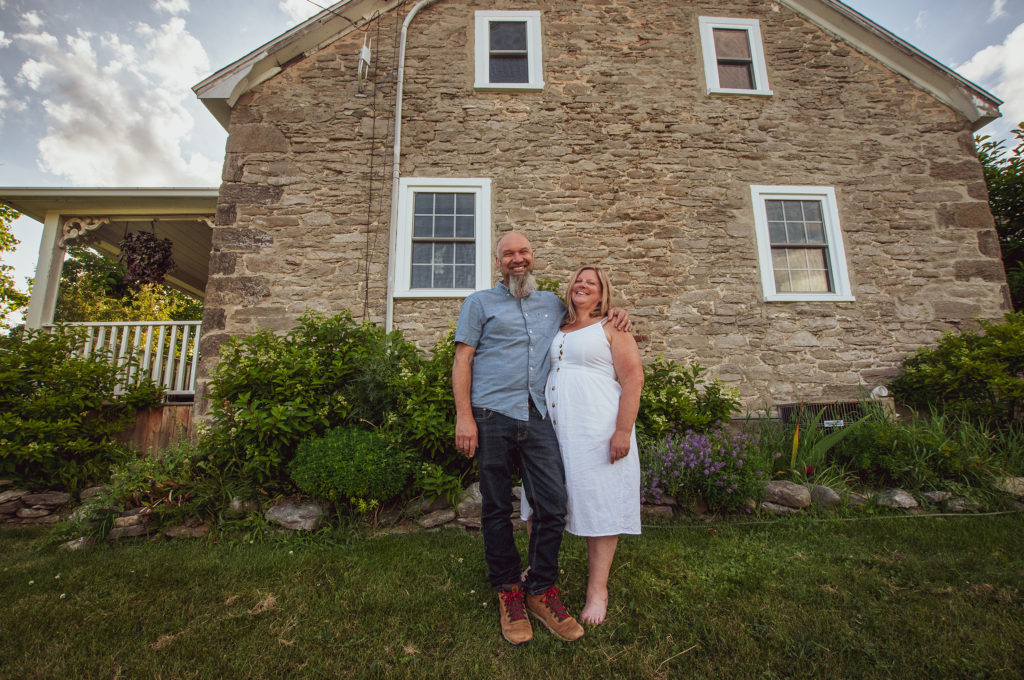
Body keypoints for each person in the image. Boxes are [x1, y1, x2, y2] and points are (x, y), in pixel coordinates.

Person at [452, 231, 631, 647]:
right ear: (499, 261)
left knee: (553, 505)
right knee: (496, 507)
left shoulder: (552, 302)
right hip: (490, 414)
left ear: (533, 258)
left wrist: (617, 311)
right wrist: (464, 417)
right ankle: (508, 590)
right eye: (509, 253)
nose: (518, 259)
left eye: (524, 252)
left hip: (538, 415)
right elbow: (463, 359)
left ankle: (540, 588)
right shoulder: (479, 304)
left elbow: (587, 316)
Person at [521, 265, 644, 626]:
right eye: (578, 279)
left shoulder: (612, 327)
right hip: (553, 431)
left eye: (591, 282)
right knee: (539, 500)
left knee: (599, 503)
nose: (582, 284)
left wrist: (623, 431)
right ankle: (540, 571)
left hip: (597, 429)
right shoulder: (557, 326)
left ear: (603, 293)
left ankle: (597, 591)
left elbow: (633, 378)